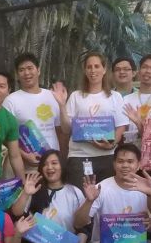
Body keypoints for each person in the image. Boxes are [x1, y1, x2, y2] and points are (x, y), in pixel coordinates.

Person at [14, 150, 89, 243]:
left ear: (62, 166)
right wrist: (26, 193)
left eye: (54, 163)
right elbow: (16, 212)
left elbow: (84, 227)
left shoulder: (74, 191)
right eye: (45, 164)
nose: (50, 167)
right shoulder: (34, 189)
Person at [55, 52, 128, 188]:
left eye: (96, 66)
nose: (93, 70)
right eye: (89, 67)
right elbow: (66, 129)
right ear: (85, 70)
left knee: (105, 196)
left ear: (104, 69)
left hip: (107, 157)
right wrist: (62, 106)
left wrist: (111, 145)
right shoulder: (76, 96)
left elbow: (121, 126)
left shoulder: (115, 96)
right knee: (80, 197)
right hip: (79, 157)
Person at [3, 52, 63, 169]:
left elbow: (60, 130)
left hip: (53, 164)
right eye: (22, 70)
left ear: (38, 70)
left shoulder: (52, 96)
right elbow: (5, 137)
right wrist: (25, 155)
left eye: (30, 68)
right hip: (28, 165)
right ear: (17, 74)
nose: (26, 73)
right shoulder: (11, 101)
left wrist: (62, 157)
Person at [122, 55, 151, 144]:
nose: (148, 71)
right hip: (130, 147)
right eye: (144, 67)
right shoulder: (126, 99)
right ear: (139, 72)